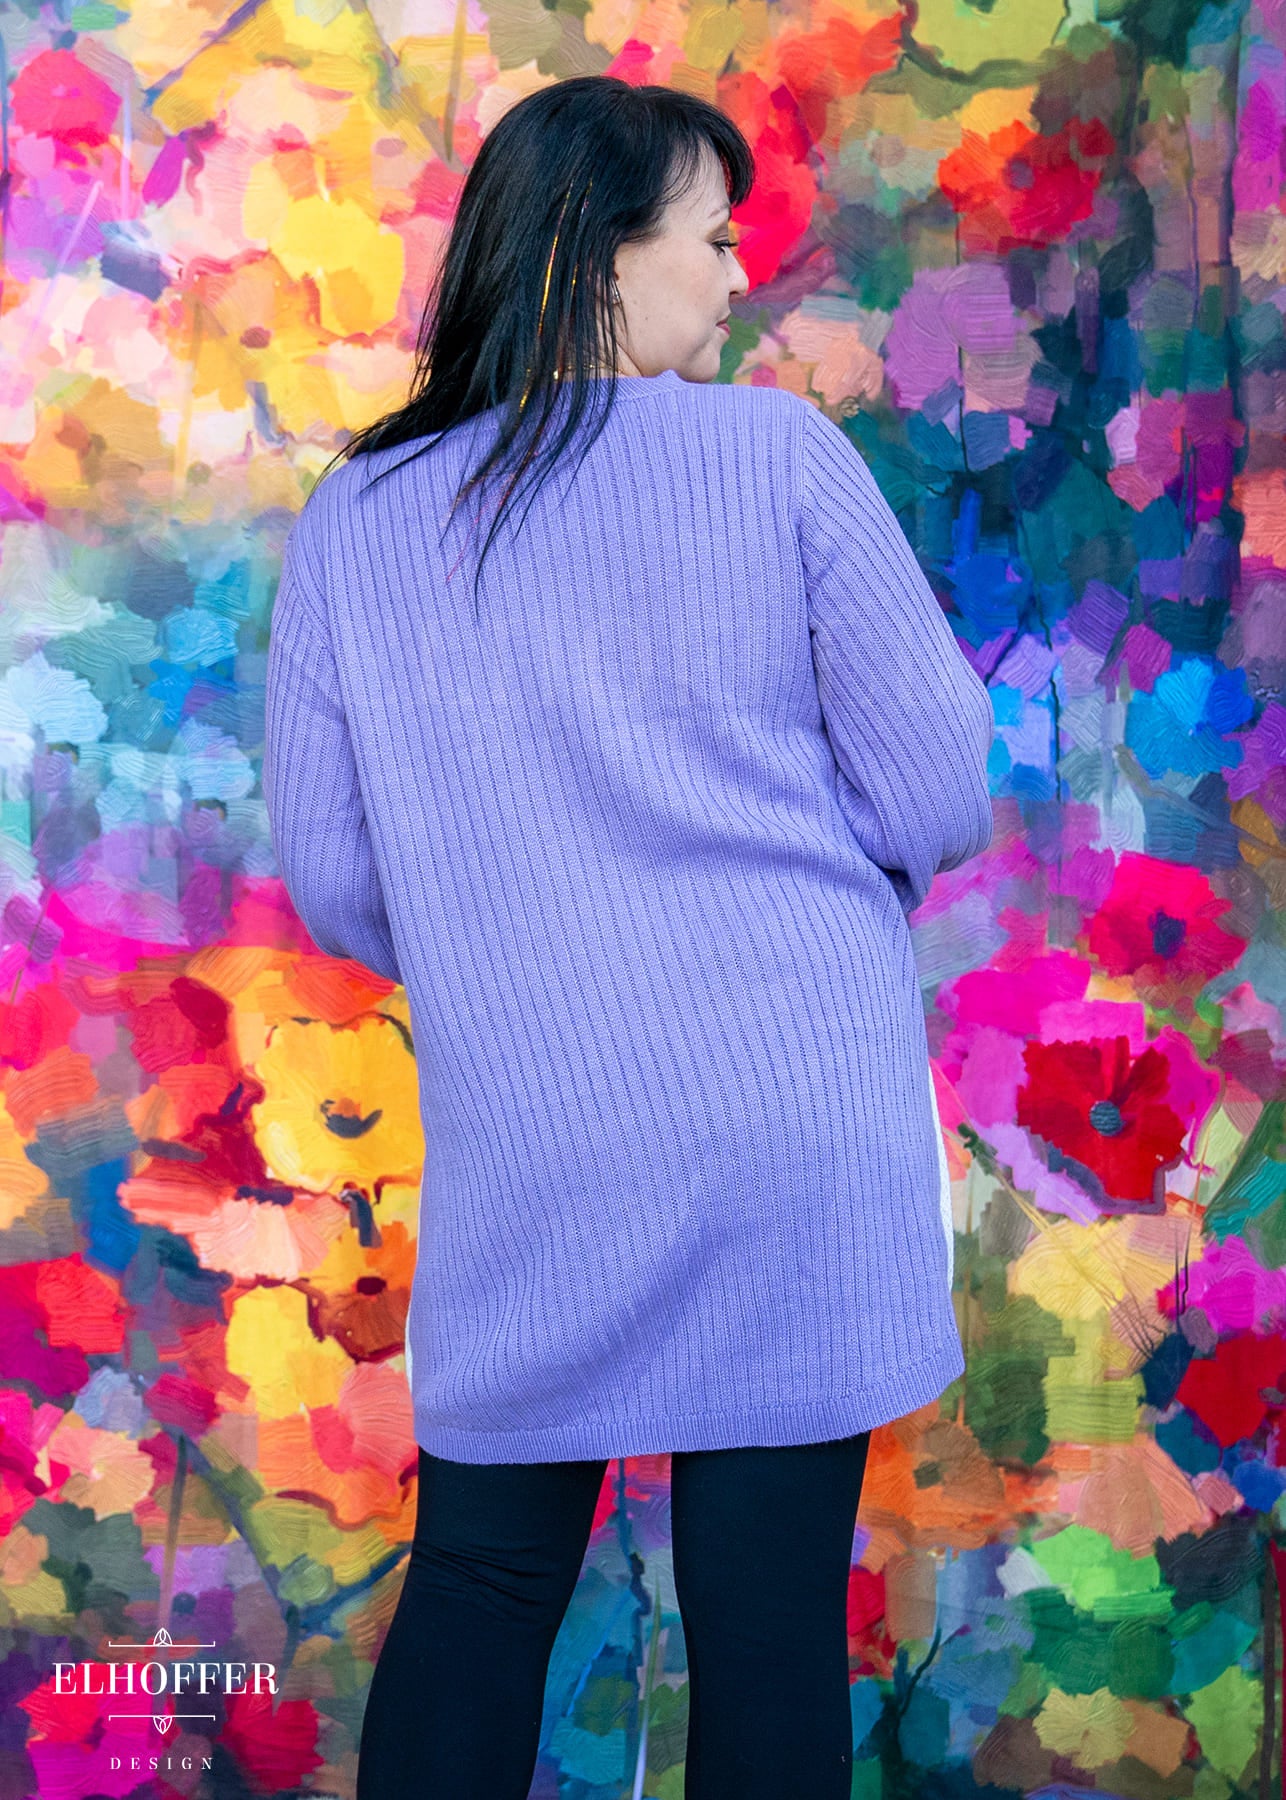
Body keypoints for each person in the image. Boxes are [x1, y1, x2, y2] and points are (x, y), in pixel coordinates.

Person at [262, 74, 993, 1800]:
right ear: (598, 253)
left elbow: (336, 870)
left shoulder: (363, 512)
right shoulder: (775, 458)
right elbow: (937, 785)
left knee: (483, 1585)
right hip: (790, 1120)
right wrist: (801, 903)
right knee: (766, 1619)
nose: (739, 280)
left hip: (539, 1134)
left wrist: (513, 928)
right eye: (714, 240)